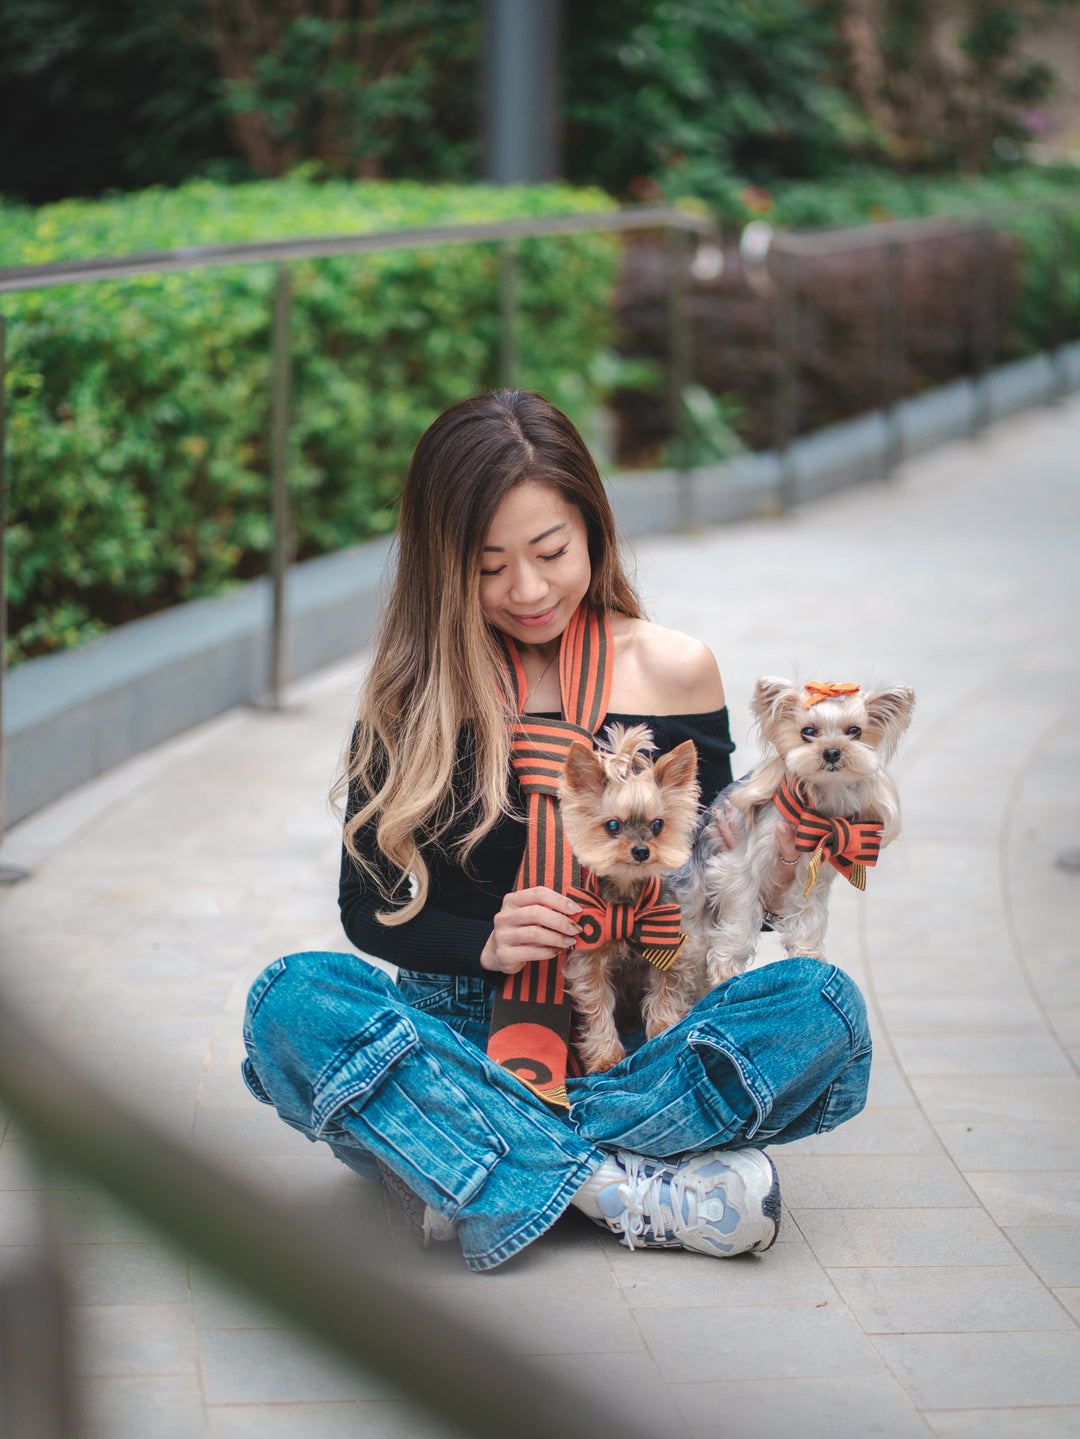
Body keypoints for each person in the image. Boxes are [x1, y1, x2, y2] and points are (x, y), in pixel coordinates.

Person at [241, 390, 872, 1273]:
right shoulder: (412, 692)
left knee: (825, 1012)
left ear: (593, 532)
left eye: (550, 552)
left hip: (637, 1023)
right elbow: (365, 910)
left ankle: (463, 1158)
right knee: (290, 1001)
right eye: (489, 564)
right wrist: (484, 941)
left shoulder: (672, 667)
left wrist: (783, 861)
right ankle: (623, 1183)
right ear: (440, 564)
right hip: (458, 1030)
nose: (528, 589)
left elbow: (711, 893)